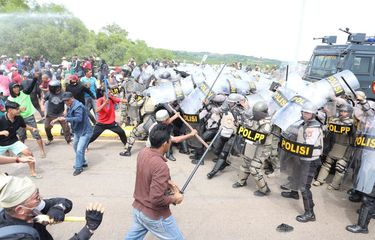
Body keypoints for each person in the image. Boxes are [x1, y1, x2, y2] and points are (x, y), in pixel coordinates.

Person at [125, 123, 184, 240]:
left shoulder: (143, 152)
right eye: (169, 140)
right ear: (164, 144)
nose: (170, 142)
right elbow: (156, 199)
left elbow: (149, 176)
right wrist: (175, 198)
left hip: (138, 209)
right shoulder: (161, 166)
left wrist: (167, 182)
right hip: (153, 215)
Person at [0, 174, 104, 239]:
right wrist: (88, 229)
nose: (41, 198)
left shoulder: (29, 209)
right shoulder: (18, 236)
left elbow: (65, 201)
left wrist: (58, 208)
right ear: (20, 209)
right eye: (36, 197)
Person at [280, 101, 323, 223]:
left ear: (313, 114)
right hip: (301, 157)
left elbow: (307, 144)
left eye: (308, 113)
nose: (305, 114)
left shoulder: (312, 128)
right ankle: (294, 192)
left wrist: (294, 145)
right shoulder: (304, 123)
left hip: (309, 160)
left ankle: (310, 213)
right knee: (295, 175)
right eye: (304, 112)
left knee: (304, 187)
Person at [232, 101, 273, 196]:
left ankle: (264, 189)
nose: (255, 114)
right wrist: (240, 125)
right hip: (251, 144)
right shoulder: (253, 118)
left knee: (254, 168)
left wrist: (250, 128)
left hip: (262, 148)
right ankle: (241, 181)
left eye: (257, 113)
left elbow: (261, 135)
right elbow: (247, 126)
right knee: (245, 163)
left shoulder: (268, 123)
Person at [51, 92, 93, 176]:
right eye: (64, 101)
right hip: (78, 131)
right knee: (75, 146)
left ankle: (78, 167)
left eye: (67, 100)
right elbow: (67, 115)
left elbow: (79, 118)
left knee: (79, 149)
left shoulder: (78, 106)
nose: (66, 102)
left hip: (85, 132)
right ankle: (83, 162)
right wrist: (60, 118)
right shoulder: (70, 105)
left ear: (72, 98)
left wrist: (66, 119)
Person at [8, 72, 46, 158]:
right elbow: (10, 111)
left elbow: (31, 86)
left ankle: (42, 150)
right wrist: (18, 110)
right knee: (21, 136)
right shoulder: (9, 99)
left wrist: (35, 78)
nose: (16, 89)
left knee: (36, 134)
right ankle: (21, 152)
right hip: (18, 119)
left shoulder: (25, 93)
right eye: (14, 88)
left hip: (29, 117)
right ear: (11, 89)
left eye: (17, 87)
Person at [0, 101, 41, 178]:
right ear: (9, 110)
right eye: (17, 109)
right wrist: (1, 132)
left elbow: (24, 126)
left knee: (29, 153)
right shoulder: (1, 119)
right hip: (1, 144)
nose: (19, 110)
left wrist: (32, 128)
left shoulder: (19, 118)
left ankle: (33, 172)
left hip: (13, 141)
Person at [88, 88, 128, 152]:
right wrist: (104, 103)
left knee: (121, 132)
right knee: (93, 136)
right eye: (108, 92)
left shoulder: (111, 98)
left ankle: (126, 144)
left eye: (110, 92)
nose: (110, 93)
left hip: (111, 123)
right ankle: (85, 145)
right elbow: (97, 110)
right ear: (104, 93)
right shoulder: (100, 100)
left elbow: (121, 100)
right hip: (101, 123)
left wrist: (131, 100)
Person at [43, 80, 71, 145]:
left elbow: (67, 103)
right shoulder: (49, 93)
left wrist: (65, 110)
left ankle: (68, 140)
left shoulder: (63, 93)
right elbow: (43, 100)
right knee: (47, 127)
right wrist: (42, 105)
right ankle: (50, 138)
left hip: (60, 114)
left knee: (66, 127)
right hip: (50, 114)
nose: (50, 88)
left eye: (51, 87)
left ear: (57, 87)